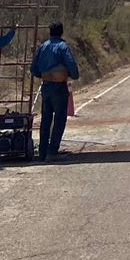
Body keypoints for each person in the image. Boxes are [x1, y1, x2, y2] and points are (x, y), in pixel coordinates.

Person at [30, 22, 80, 161]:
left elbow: (33, 68)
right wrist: (74, 75)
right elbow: (70, 63)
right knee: (59, 119)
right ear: (61, 32)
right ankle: (52, 151)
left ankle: (42, 152)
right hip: (59, 86)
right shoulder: (62, 46)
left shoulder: (43, 46)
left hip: (46, 86)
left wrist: (43, 75)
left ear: (50, 32)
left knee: (46, 119)